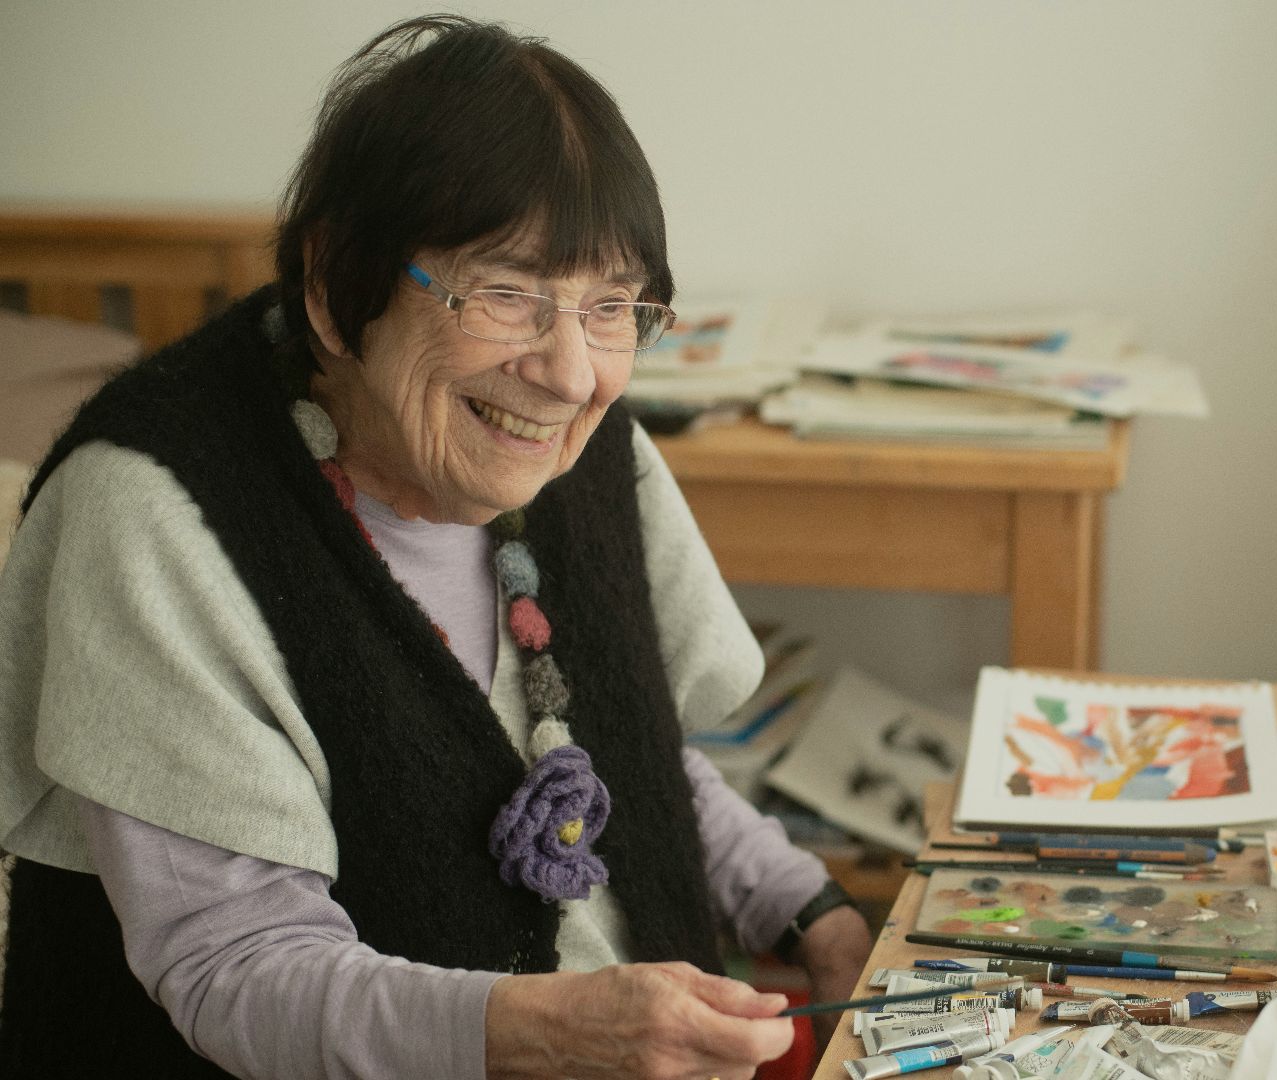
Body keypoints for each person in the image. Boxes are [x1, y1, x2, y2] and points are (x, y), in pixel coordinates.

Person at [0, 15, 871, 1079]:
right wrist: (552, 1032)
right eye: (506, 293)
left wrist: (812, 909)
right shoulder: (154, 512)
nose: (568, 372)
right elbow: (236, 966)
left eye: (610, 307)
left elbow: (627, 756)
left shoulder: (582, 456)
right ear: (333, 287)